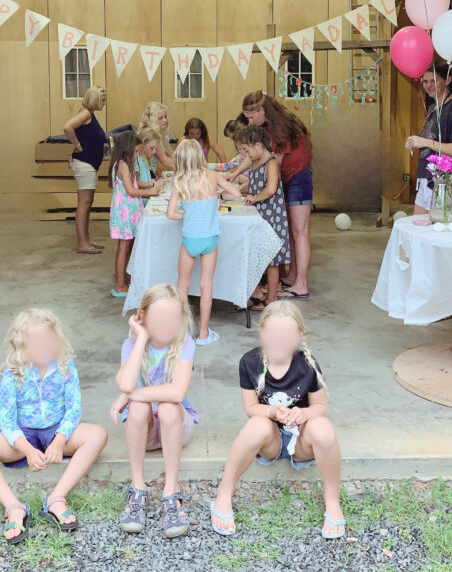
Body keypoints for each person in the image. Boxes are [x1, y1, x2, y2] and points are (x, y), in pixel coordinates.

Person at [0, 309, 108, 544]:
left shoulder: (65, 367)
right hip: (23, 438)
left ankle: (56, 499)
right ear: (21, 346)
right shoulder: (12, 375)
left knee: (98, 435)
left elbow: (74, 409)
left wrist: (60, 441)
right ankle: (14, 507)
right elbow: (8, 422)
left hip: (57, 431)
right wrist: (28, 451)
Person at [210, 300, 344, 541]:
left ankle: (332, 501)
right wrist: (271, 412)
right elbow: (251, 408)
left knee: (323, 428)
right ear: (261, 333)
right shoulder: (249, 363)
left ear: (300, 335)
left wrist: (303, 414)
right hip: (271, 440)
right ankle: (224, 492)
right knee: (257, 425)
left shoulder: (307, 364)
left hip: (301, 440)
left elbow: (320, 407)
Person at [110, 284, 198, 539]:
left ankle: (171, 491)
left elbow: (177, 392)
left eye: (172, 318)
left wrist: (128, 396)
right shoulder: (131, 345)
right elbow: (125, 383)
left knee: (169, 407)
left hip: (177, 427)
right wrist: (141, 339)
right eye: (158, 318)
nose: (165, 324)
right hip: (145, 430)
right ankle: (138, 487)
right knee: (138, 406)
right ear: (142, 316)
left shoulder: (185, 344)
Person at [167, 139, 242, 345]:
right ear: (201, 155)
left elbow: (170, 213)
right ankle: (203, 333)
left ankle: (182, 334)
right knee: (206, 285)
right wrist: (218, 198)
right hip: (210, 239)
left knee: (182, 286)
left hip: (189, 239)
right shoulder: (212, 176)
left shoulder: (179, 181)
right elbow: (236, 193)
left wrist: (187, 215)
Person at [242, 90, 312, 300]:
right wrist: (236, 174)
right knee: (291, 230)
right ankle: (292, 276)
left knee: (300, 231)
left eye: (252, 117)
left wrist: (252, 187)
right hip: (288, 179)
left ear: (262, 111)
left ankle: (301, 283)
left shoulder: (279, 129)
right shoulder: (267, 127)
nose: (250, 122)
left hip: (298, 178)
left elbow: (272, 165)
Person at [405, 61, 452, 215]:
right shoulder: (433, 108)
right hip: (425, 180)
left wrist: (424, 142)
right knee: (418, 230)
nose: (428, 86)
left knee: (435, 232)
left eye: (433, 81)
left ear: (447, 80)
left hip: (442, 183)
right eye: (425, 81)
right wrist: (415, 143)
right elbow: (432, 143)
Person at [241, 126, 290, 310]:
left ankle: (271, 298)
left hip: (272, 216)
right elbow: (251, 184)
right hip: (259, 217)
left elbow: (270, 189)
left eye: (247, 150)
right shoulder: (255, 162)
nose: (246, 155)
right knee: (257, 256)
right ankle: (255, 293)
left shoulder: (271, 163)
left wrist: (254, 197)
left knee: (272, 260)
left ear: (259, 146)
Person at [109, 130, 160, 299]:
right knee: (123, 246)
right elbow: (131, 190)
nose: (137, 154)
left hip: (129, 210)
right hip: (125, 211)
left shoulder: (125, 164)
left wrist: (151, 184)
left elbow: (134, 184)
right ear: (127, 149)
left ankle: (127, 277)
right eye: (136, 151)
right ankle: (120, 284)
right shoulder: (122, 165)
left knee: (128, 246)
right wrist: (149, 192)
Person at [63, 86, 107, 255]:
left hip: (89, 164)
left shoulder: (89, 114)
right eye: (103, 99)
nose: (105, 102)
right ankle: (82, 243)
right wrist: (77, 145)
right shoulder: (86, 114)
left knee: (87, 202)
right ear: (95, 99)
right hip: (84, 163)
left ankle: (86, 239)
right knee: (84, 203)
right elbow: (67, 127)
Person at [138, 102, 174, 171]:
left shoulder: (160, 133)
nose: (165, 120)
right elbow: (164, 160)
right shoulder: (151, 135)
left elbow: (171, 153)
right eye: (160, 118)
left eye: (165, 117)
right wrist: (184, 166)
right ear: (152, 120)